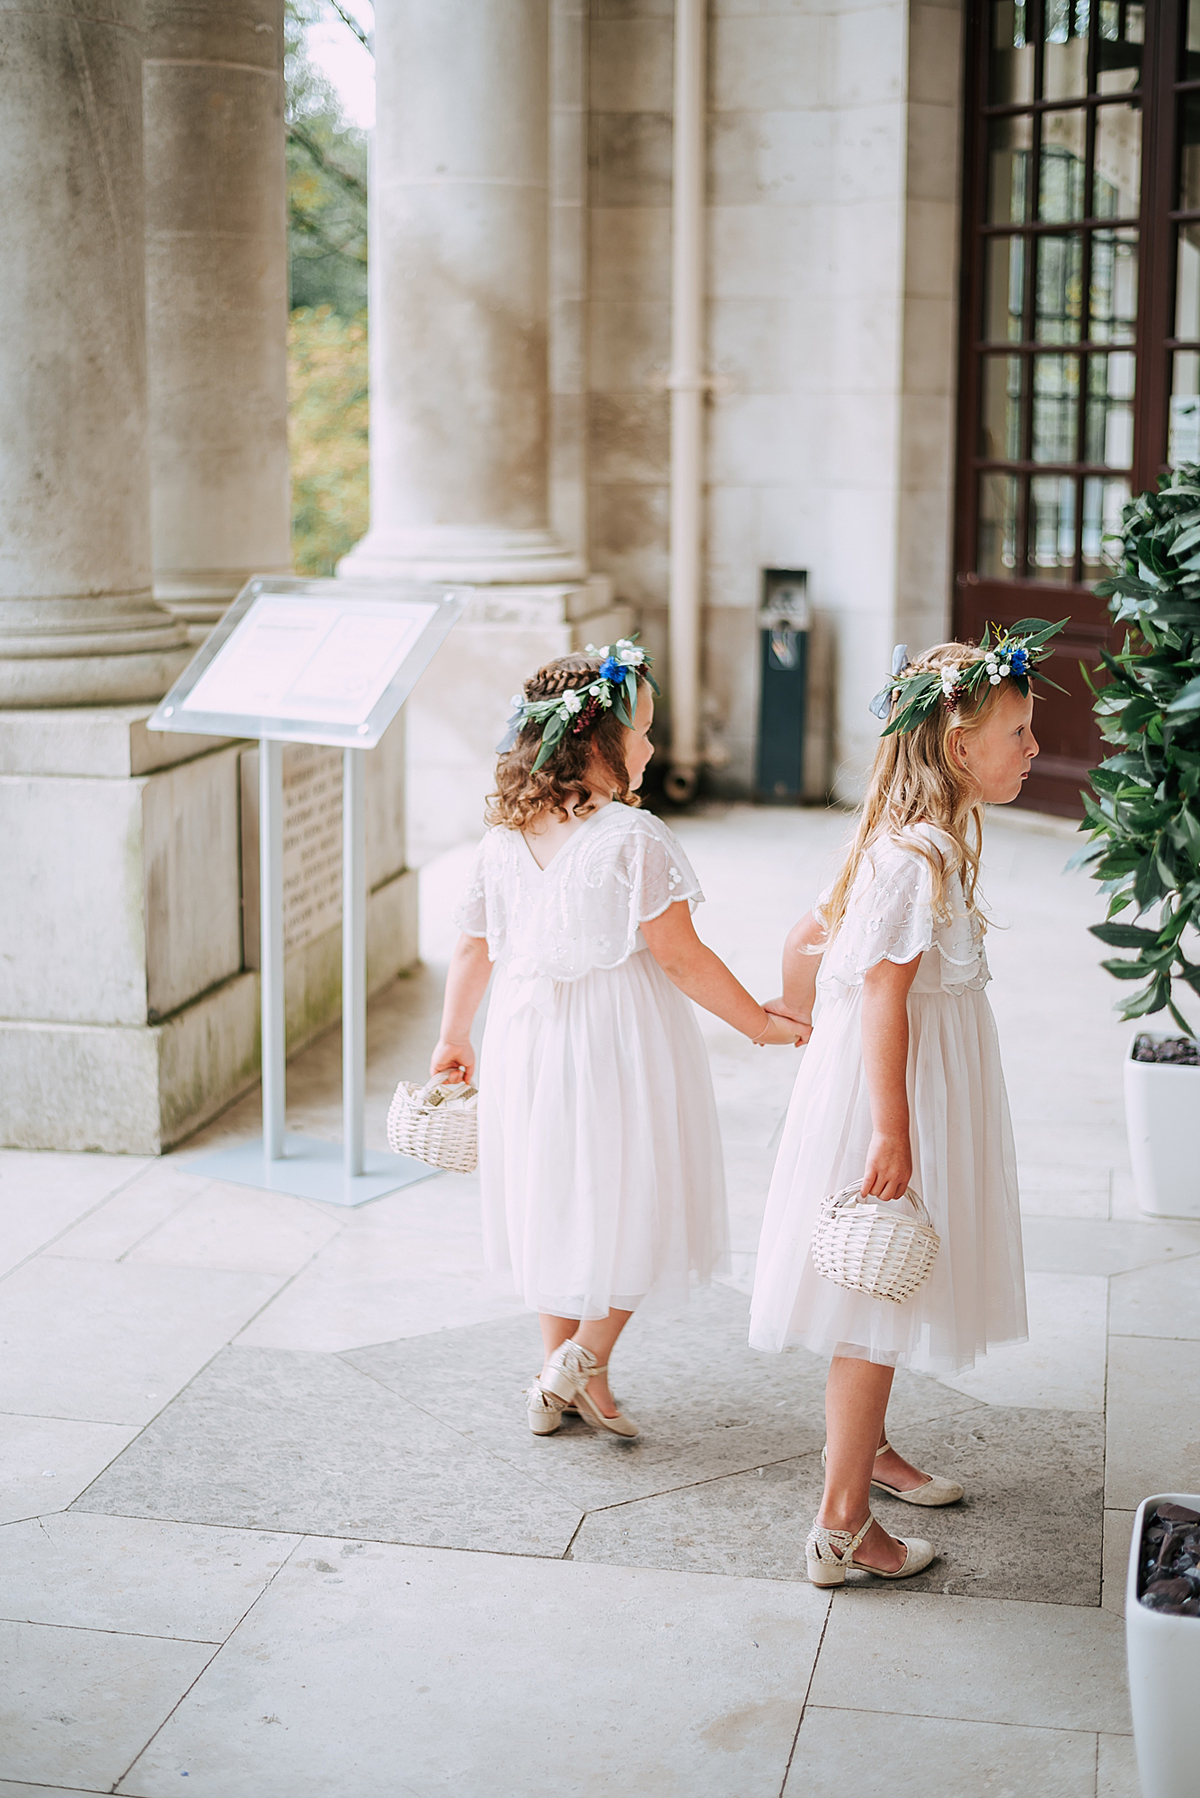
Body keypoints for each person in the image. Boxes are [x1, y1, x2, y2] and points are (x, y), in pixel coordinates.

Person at [751, 623, 1064, 1586]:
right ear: (958, 744)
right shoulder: (917, 856)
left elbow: (812, 927)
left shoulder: (904, 841)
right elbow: (885, 994)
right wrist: (892, 1126)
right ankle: (842, 1522)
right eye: (1017, 731)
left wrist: (801, 1006)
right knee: (874, 1301)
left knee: (883, 1296)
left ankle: (868, 1449)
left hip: (902, 1074)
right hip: (901, 1090)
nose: (1034, 749)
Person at [431, 642, 800, 1439]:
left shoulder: (505, 836)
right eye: (643, 734)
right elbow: (680, 955)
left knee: (555, 1197)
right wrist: (760, 1024)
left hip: (526, 1039)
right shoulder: (635, 837)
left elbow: (472, 945)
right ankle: (584, 1360)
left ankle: (559, 1372)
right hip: (616, 1041)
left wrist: (454, 1035)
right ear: (598, 742)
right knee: (639, 1191)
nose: (653, 749)